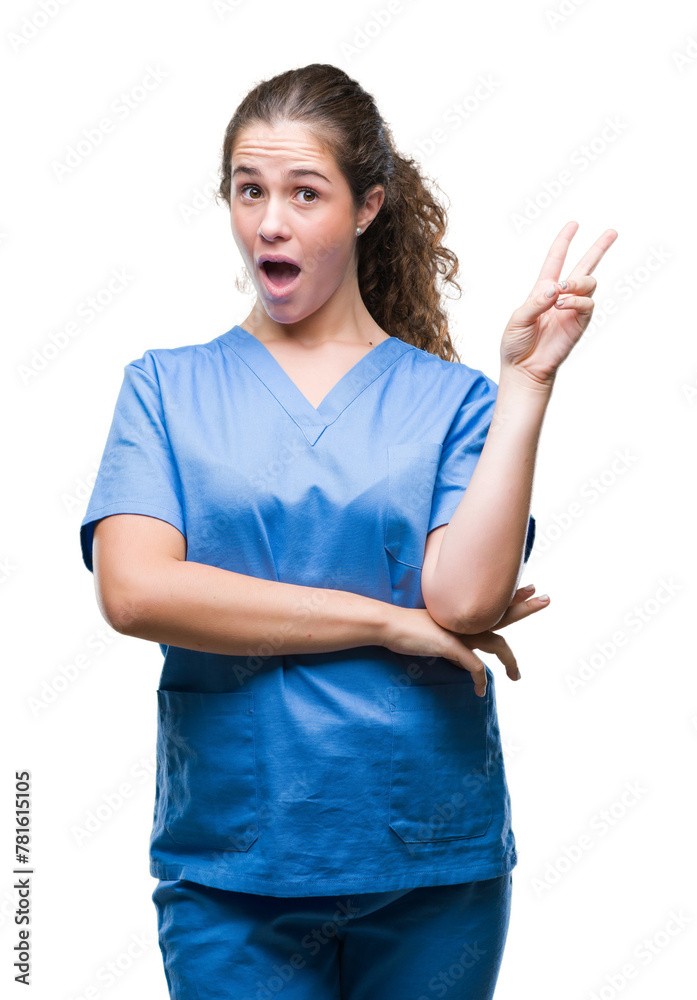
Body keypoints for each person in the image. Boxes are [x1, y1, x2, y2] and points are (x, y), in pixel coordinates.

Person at [79, 63, 617, 1000]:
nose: (269, 223)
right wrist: (382, 620)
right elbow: (136, 592)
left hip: (429, 861)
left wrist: (525, 384)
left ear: (368, 206)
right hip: (233, 870)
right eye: (249, 191)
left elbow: (462, 599)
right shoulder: (164, 389)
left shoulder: (454, 401)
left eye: (304, 192)